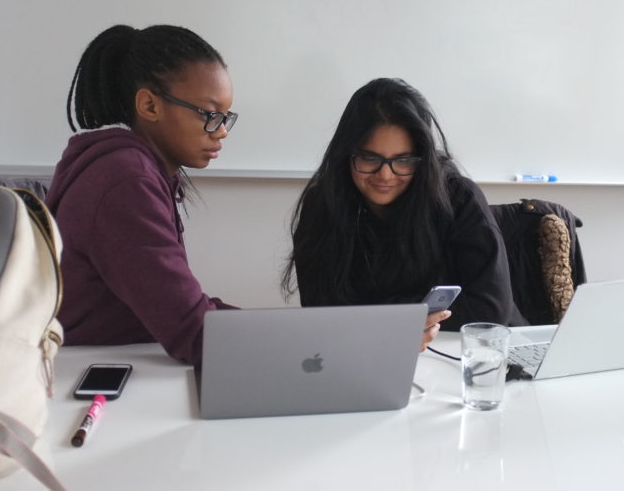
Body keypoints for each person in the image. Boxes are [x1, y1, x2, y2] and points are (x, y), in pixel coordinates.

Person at [282, 78, 526, 347]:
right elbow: (320, 313)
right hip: (368, 351)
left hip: (472, 356)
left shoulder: (457, 197)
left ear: (423, 160)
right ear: (346, 155)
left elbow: (490, 309)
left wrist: (387, 320)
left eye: (403, 160)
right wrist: (398, 322)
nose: (385, 175)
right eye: (369, 158)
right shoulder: (323, 203)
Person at [46, 24, 238, 365]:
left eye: (225, 117)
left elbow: (186, 308)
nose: (221, 131)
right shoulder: (126, 180)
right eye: (210, 115)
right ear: (149, 105)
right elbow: (194, 332)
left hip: (111, 358)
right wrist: (289, 341)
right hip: (82, 370)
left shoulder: (128, 167)